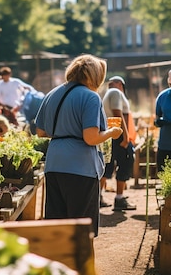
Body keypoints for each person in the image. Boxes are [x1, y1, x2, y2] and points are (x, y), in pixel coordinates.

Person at [35, 54, 123, 237]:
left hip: (54, 164)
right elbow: (90, 138)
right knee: (83, 230)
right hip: (80, 167)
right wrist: (111, 133)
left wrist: (64, 128)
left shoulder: (53, 93)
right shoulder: (90, 97)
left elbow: (40, 132)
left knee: (58, 228)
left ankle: (58, 265)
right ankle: (84, 266)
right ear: (95, 76)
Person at [102, 76, 136, 211]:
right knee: (125, 162)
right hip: (117, 134)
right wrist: (125, 136)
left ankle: (98, 197)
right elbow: (117, 113)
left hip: (110, 134)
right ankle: (119, 198)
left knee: (107, 165)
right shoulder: (115, 93)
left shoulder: (109, 94)